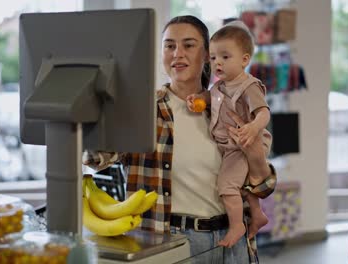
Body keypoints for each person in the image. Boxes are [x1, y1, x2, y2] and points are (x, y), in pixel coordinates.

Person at [82, 15, 277, 263]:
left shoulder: (231, 108)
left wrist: (255, 155)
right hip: (171, 241)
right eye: (170, 45)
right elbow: (96, 158)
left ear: (208, 54)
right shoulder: (142, 110)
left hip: (234, 240)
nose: (178, 54)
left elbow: (265, 187)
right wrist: (93, 109)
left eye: (188, 45)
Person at [186, 21, 273, 248]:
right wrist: (198, 101)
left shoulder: (248, 86)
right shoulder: (220, 86)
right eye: (213, 58)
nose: (217, 63)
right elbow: (210, 98)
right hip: (231, 145)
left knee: (227, 185)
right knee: (242, 183)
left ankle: (237, 225)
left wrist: (253, 128)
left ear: (244, 60)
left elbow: (264, 113)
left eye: (225, 57)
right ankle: (257, 214)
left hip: (243, 143)